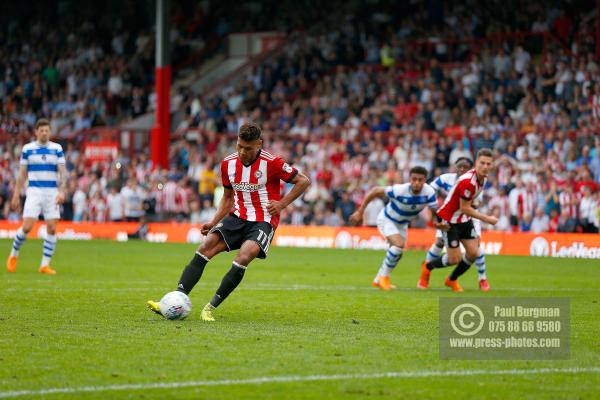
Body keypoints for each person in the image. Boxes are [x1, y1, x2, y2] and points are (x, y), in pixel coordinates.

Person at [148, 122, 310, 321]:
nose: (242, 152)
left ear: (259, 144)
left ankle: (209, 308)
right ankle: (174, 301)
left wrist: (283, 203)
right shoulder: (228, 164)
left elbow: (303, 181)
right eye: (239, 146)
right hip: (237, 216)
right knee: (204, 248)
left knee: (243, 257)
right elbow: (227, 197)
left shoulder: (272, 162)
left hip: (263, 220)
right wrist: (214, 222)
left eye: (248, 148)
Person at [349, 166, 444, 291]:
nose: (416, 183)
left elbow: (434, 211)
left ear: (425, 180)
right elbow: (375, 191)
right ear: (409, 179)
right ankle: (383, 278)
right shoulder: (400, 190)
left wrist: (437, 223)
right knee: (398, 245)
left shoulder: (429, 192)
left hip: (402, 224)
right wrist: (360, 212)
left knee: (397, 253)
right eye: (414, 179)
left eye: (420, 180)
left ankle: (378, 280)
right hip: (387, 219)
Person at [418, 148, 498, 292]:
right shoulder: (468, 182)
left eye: (488, 164)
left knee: (474, 253)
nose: (485, 166)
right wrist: (487, 218)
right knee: (454, 259)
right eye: (482, 163)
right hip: (449, 221)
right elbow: (465, 208)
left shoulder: (483, 179)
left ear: (491, 165)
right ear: (476, 163)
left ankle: (451, 279)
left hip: (464, 219)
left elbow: (468, 207)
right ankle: (427, 266)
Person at [7, 119, 67, 275]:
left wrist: (62, 191)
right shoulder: (28, 149)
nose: (44, 132)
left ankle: (44, 265)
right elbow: (21, 174)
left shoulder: (57, 148)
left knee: (52, 228)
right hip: (34, 191)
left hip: (52, 192)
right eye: (42, 130)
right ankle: (14, 254)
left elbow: (63, 172)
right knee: (27, 226)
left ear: (50, 132)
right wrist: (15, 194)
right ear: (36, 132)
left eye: (47, 130)